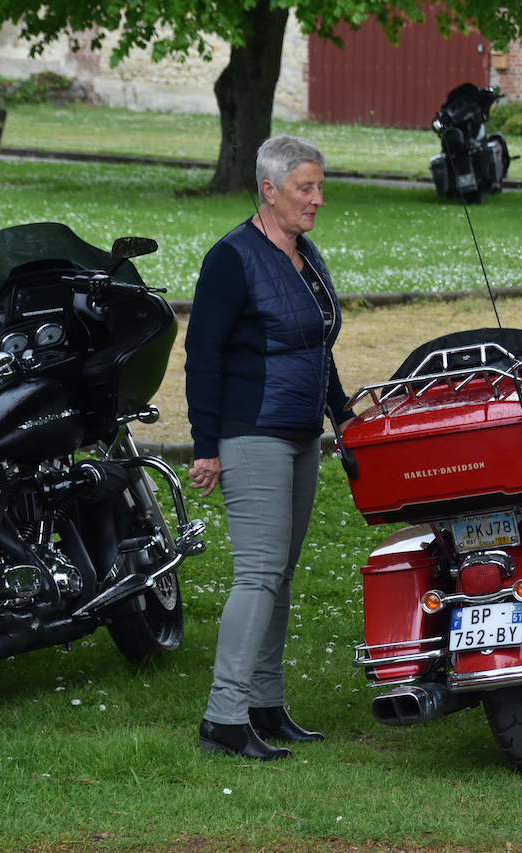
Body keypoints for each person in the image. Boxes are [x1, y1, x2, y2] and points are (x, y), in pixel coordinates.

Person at [185, 135, 352, 761]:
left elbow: (317, 347)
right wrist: (206, 445)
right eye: (306, 188)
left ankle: (264, 705)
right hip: (250, 431)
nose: (317, 199)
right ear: (269, 189)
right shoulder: (232, 257)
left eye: (319, 186)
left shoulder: (307, 254)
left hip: (301, 433)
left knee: (280, 574)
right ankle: (223, 719)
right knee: (257, 573)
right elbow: (202, 355)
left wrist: (343, 415)